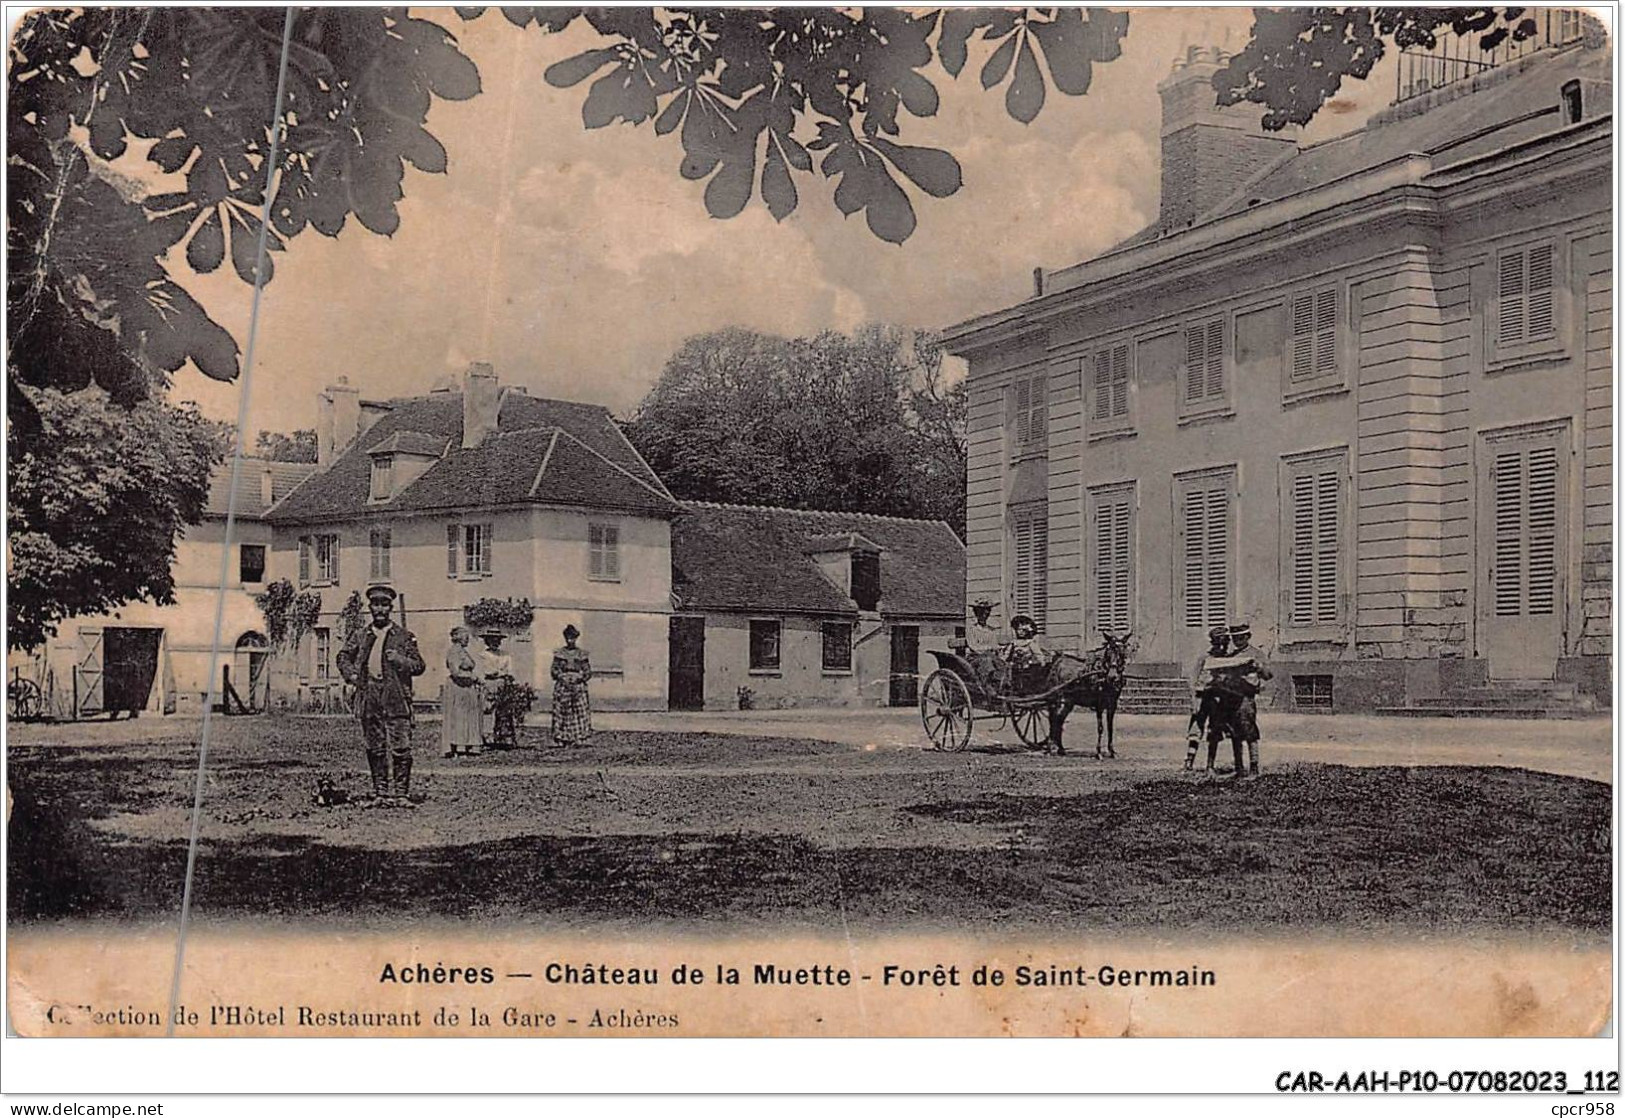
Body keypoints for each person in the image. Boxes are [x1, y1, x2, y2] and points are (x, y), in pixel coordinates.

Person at [336, 584, 426, 807]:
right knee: (375, 746)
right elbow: (342, 657)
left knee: (401, 746)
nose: (379, 609)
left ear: (390, 607)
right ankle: (380, 792)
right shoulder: (360, 635)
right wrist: (352, 675)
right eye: (375, 604)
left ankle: (401, 794)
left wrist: (400, 660)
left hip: (396, 696)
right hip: (370, 696)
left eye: (384, 604)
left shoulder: (404, 637)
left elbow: (419, 666)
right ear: (370, 607)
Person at [1184, 625, 1231, 772]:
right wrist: (1193, 700)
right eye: (1218, 643)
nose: (1221, 647)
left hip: (1218, 699)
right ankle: (1189, 761)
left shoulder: (1228, 660)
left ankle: (1210, 764)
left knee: (1215, 730)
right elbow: (1192, 678)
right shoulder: (1204, 658)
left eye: (1224, 643)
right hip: (1201, 697)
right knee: (1196, 730)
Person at [441, 625, 483, 758]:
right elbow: (455, 672)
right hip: (458, 687)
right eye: (465, 637)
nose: (467, 640)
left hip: (466, 688)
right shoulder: (454, 652)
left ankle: (469, 745)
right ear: (457, 638)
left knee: (468, 716)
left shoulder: (463, 652)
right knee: (459, 717)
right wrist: (473, 677)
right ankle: (459, 747)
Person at [550, 624, 593, 746]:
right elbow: (554, 670)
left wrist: (580, 677)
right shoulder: (560, 654)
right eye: (568, 638)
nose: (570, 640)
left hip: (578, 685)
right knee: (562, 710)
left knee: (580, 711)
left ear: (576, 638)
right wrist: (561, 676)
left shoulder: (581, 654)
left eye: (573, 638)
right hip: (563, 685)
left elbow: (588, 671)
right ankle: (562, 737)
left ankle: (579, 737)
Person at [479, 631, 515, 747]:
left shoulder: (505, 655)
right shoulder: (483, 655)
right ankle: (487, 736)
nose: (495, 642)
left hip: (503, 684)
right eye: (491, 640)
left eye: (497, 640)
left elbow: (509, 670)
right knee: (488, 709)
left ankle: (503, 736)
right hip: (490, 683)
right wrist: (499, 672)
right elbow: (487, 671)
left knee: (504, 710)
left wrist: (504, 675)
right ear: (487, 641)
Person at [964, 598, 1006, 693]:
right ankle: (986, 686)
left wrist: (999, 649)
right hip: (975, 658)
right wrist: (989, 648)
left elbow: (994, 645)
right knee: (986, 661)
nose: (984, 615)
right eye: (981, 613)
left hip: (990, 656)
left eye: (987, 613)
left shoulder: (991, 630)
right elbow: (973, 647)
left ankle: (1001, 685)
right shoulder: (971, 629)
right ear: (976, 614)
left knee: (1002, 663)